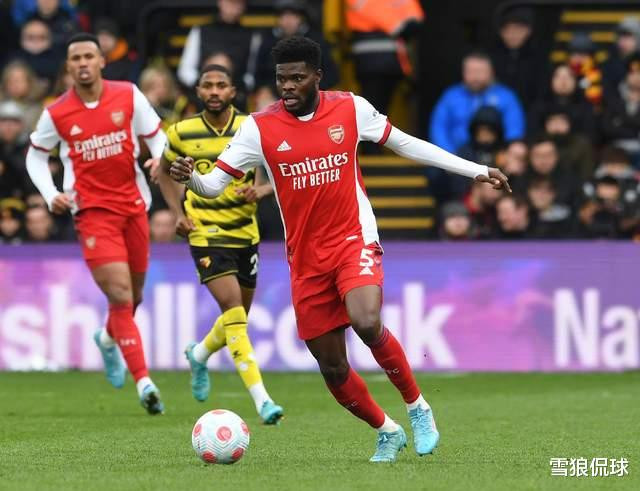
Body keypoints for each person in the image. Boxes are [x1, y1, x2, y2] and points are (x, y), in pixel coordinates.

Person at [169, 36, 510, 462]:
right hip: (305, 257)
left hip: (353, 238)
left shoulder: (350, 109)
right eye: (281, 78)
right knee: (332, 367)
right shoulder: (258, 128)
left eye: (297, 78)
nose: (287, 86)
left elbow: (406, 143)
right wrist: (190, 177)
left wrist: (475, 170)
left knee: (366, 321)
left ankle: (417, 407)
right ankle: (386, 430)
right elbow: (212, 185)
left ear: (317, 76)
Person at [25, 33, 167, 415]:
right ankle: (145, 383)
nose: (83, 63)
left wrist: (159, 158)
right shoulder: (57, 112)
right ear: (68, 66)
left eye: (89, 56)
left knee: (134, 296)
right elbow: (35, 156)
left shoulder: (128, 95)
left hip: (133, 206)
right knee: (120, 295)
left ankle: (107, 339)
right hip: (91, 212)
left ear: (102, 60)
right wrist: (51, 192)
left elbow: (158, 137)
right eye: (76, 58)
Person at [156, 64, 284, 425]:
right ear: (198, 91)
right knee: (233, 310)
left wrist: (261, 189)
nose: (214, 91)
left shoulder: (252, 127)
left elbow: (279, 165)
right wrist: (176, 212)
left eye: (221, 85)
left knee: (236, 316)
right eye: (207, 85)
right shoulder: (181, 132)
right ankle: (262, 401)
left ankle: (199, 354)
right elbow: (164, 172)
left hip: (245, 231)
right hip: (205, 232)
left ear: (232, 91)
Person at [429, 51, 525, 154]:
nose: (475, 77)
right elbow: (438, 129)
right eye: (470, 71)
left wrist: (504, 154)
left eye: (479, 71)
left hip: (495, 157)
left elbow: (514, 132)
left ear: (492, 72)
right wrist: (450, 156)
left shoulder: (506, 96)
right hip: (454, 156)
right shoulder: (451, 96)